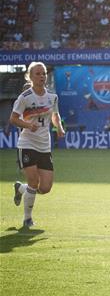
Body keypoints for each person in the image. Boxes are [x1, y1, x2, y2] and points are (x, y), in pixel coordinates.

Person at [9, 62, 66, 229]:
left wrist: (59, 127)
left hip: (44, 146)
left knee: (45, 187)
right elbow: (13, 118)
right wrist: (27, 125)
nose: (42, 76)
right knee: (33, 182)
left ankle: (21, 188)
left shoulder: (52, 97)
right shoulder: (25, 97)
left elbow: (55, 115)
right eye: (38, 74)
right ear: (30, 76)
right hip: (27, 144)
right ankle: (27, 219)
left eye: (44, 74)